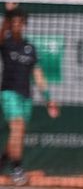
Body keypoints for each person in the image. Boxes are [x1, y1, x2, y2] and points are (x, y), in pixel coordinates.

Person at [0, 10, 58, 187]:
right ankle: (17, 170)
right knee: (17, 127)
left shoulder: (30, 47)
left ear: (24, 23)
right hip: (9, 93)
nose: (17, 24)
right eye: (14, 21)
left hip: (26, 96)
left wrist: (48, 99)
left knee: (17, 135)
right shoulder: (6, 43)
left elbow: (38, 74)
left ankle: (2, 164)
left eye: (20, 21)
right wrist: (7, 15)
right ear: (10, 24)